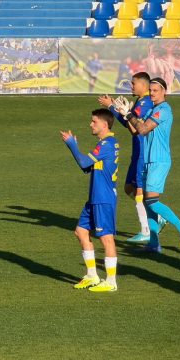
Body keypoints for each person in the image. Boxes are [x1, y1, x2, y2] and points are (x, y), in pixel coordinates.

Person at [113, 77, 180, 253]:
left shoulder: (163, 110)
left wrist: (130, 115)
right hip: (148, 160)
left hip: (159, 160)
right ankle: (153, 242)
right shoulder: (153, 110)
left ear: (164, 91)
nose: (152, 93)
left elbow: (143, 129)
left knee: (151, 200)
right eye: (150, 90)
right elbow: (135, 130)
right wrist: (125, 114)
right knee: (146, 200)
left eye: (155, 90)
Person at [60, 109, 120, 292]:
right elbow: (87, 167)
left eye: (94, 121)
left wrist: (72, 145)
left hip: (103, 198)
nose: (91, 124)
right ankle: (92, 275)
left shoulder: (107, 144)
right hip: (95, 197)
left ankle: (111, 282)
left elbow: (85, 162)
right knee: (80, 231)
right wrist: (75, 149)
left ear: (104, 124)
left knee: (106, 238)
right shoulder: (105, 143)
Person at [99, 72, 154, 243]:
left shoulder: (145, 102)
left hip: (143, 151)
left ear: (143, 85)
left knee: (139, 191)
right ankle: (156, 216)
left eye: (133, 83)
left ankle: (146, 230)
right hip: (137, 150)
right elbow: (129, 123)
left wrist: (111, 107)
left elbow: (131, 125)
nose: (131, 86)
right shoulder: (141, 100)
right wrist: (118, 109)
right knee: (129, 188)